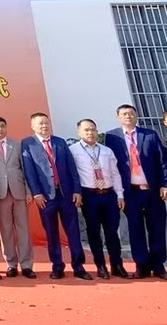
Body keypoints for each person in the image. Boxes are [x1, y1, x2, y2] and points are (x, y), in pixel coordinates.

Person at [21, 112, 91, 280]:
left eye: (46, 123)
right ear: (33, 126)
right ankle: (57, 266)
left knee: (73, 231)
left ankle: (79, 266)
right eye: (40, 124)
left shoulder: (59, 142)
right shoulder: (27, 144)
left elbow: (71, 167)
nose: (44, 126)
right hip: (45, 196)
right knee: (51, 233)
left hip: (66, 194)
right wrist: (36, 192)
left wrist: (77, 190)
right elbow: (29, 171)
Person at [105, 104, 167, 279]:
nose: (128, 116)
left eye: (131, 113)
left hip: (153, 191)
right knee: (135, 229)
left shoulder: (150, 135)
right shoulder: (111, 137)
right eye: (124, 114)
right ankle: (142, 265)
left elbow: (162, 162)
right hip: (130, 192)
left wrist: (165, 184)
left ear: (136, 116)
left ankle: (159, 265)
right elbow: (111, 166)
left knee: (157, 228)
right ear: (118, 117)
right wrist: (117, 193)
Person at [69, 119, 126, 279]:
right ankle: (100, 265)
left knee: (112, 232)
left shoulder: (106, 150)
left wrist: (119, 194)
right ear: (79, 132)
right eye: (86, 130)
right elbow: (72, 175)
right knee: (93, 232)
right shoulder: (73, 151)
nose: (90, 133)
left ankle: (117, 265)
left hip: (109, 195)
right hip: (89, 195)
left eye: (93, 130)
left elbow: (115, 174)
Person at [0, 116, 35, 279]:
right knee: (5, 230)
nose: (0, 129)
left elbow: (25, 169)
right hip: (0, 192)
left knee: (23, 229)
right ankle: (11, 264)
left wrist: (28, 191)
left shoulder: (17, 144)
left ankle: (26, 265)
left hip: (18, 190)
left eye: (2, 126)